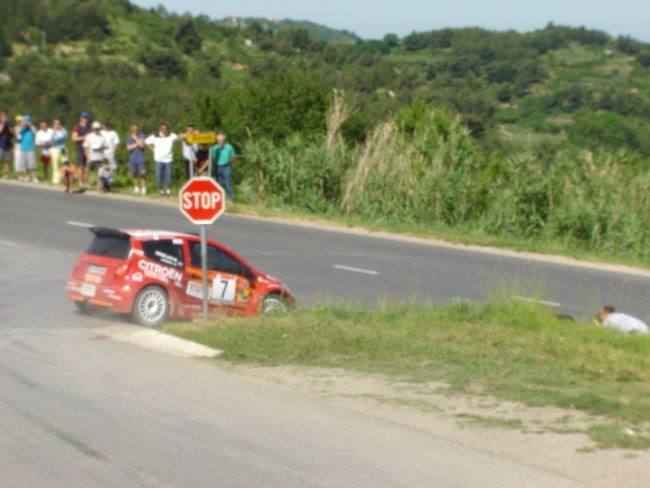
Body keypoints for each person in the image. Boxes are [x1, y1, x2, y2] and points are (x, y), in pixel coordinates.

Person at [145, 123, 178, 195]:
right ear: (159, 129)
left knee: (169, 175)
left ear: (167, 129)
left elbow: (179, 137)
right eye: (162, 128)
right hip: (158, 159)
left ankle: (168, 189)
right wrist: (153, 149)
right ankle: (160, 189)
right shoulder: (155, 136)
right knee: (159, 175)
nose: (164, 130)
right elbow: (146, 142)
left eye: (165, 128)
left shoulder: (171, 136)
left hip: (168, 159)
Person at [212, 133, 236, 200]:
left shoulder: (229, 147)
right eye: (218, 140)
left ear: (224, 140)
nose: (220, 141)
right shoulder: (215, 148)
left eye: (221, 140)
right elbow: (212, 158)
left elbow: (233, 157)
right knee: (218, 183)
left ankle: (230, 198)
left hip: (226, 167)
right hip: (218, 167)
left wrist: (230, 162)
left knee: (228, 183)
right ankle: (219, 198)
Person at [83, 121, 106, 191]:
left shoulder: (102, 137)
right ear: (92, 128)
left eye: (97, 128)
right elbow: (86, 147)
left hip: (99, 157)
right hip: (91, 157)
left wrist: (101, 147)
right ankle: (86, 184)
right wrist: (87, 157)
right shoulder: (89, 136)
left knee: (99, 173)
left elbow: (105, 146)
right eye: (95, 128)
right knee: (87, 170)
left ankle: (98, 186)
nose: (96, 130)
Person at [72, 111, 91, 189]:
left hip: (89, 150)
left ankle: (86, 182)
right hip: (80, 149)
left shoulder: (90, 128)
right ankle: (80, 182)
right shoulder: (77, 127)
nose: (85, 119)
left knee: (87, 167)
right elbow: (74, 138)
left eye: (86, 118)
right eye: (83, 117)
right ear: (80, 118)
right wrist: (84, 137)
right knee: (80, 166)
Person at [19, 115, 38, 183]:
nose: (26, 122)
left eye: (27, 120)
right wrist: (24, 125)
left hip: (30, 147)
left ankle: (34, 177)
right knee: (25, 163)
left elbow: (35, 132)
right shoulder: (23, 128)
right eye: (25, 120)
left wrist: (30, 126)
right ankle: (27, 176)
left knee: (32, 163)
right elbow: (19, 132)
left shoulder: (32, 127)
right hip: (23, 147)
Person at [50, 118, 68, 184]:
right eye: (55, 123)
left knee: (65, 163)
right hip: (54, 149)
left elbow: (66, 137)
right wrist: (54, 132)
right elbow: (52, 140)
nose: (57, 125)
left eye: (58, 123)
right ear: (53, 124)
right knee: (55, 164)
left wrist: (61, 129)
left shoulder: (63, 130)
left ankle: (64, 177)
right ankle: (56, 180)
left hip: (63, 148)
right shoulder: (51, 131)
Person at [0, 111, 14, 179]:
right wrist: (2, 124)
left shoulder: (9, 124)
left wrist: (8, 126)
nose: (4, 118)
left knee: (7, 160)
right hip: (1, 143)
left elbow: (12, 133)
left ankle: (5, 174)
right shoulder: (1, 123)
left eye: (5, 116)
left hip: (8, 143)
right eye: (3, 116)